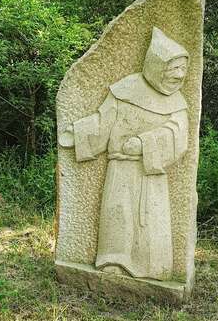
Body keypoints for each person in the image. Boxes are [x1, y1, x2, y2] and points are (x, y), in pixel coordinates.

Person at [59, 27, 190, 281]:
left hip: (151, 176)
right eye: (174, 68)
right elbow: (103, 122)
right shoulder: (125, 89)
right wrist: (78, 134)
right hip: (120, 170)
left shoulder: (177, 103)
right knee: (118, 214)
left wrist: (144, 143)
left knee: (150, 224)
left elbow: (178, 136)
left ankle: (154, 269)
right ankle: (113, 262)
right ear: (156, 65)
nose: (180, 75)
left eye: (183, 69)